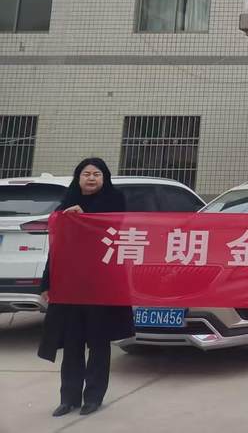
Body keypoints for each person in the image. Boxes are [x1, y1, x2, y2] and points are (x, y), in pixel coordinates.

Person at [38, 157, 134, 417]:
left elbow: (114, 231)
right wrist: (47, 282)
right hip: (70, 287)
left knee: (98, 342)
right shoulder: (66, 204)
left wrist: (86, 218)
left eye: (96, 174)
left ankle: (93, 396)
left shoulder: (115, 201)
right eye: (86, 174)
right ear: (78, 178)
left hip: (101, 286)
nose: (91, 178)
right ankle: (68, 398)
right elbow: (57, 248)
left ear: (105, 178)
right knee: (72, 343)